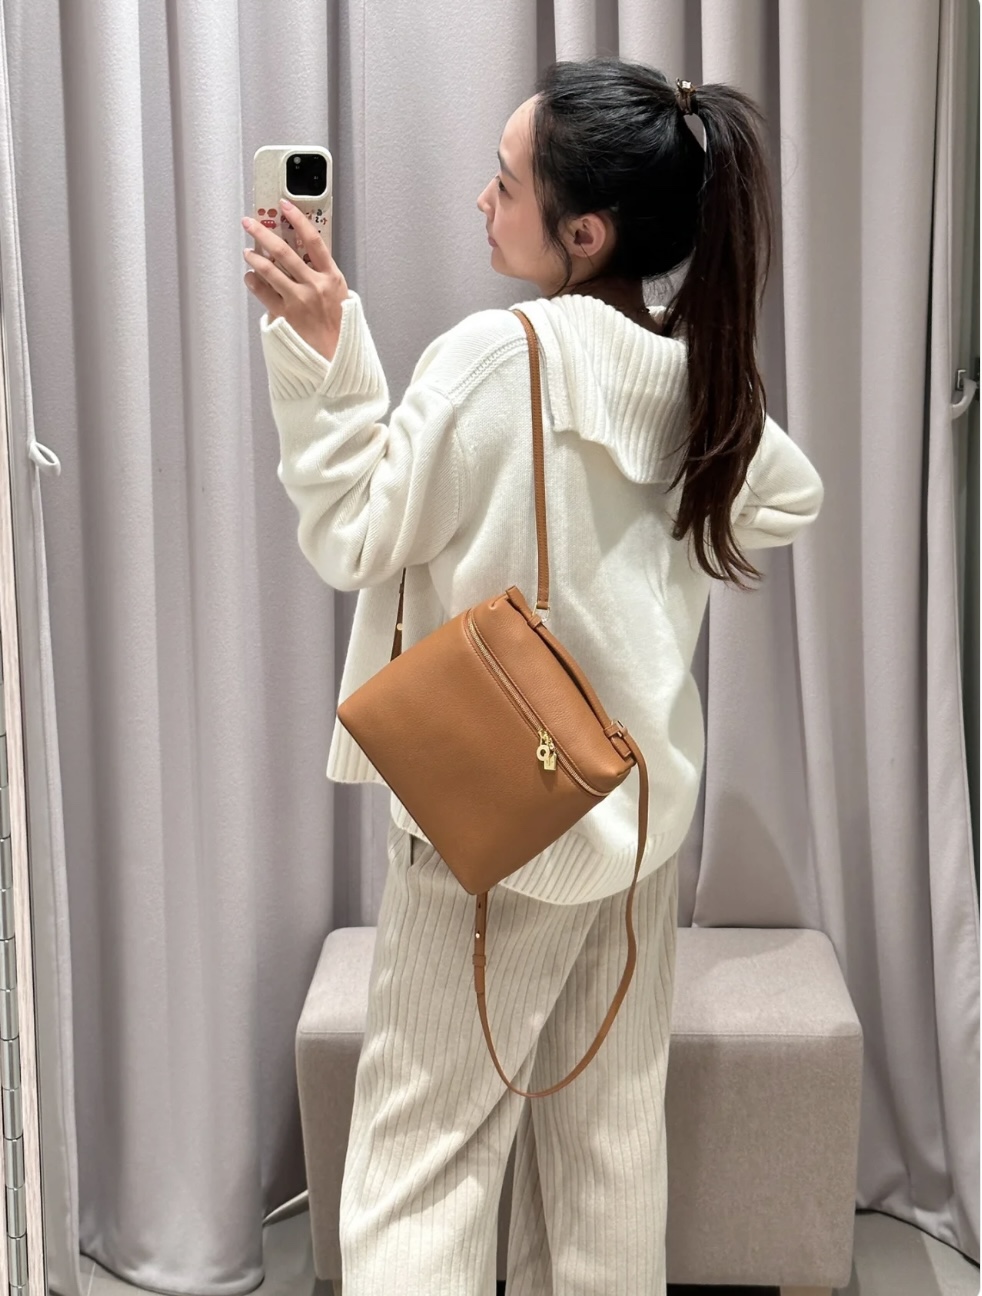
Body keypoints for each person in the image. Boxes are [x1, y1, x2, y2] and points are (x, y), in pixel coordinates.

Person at [243, 55, 824, 1296]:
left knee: (421, 1169)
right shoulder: (689, 375)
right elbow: (787, 494)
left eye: (504, 183)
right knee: (604, 1156)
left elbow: (354, 532)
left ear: (586, 230)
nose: (481, 199)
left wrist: (324, 354)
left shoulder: (490, 358)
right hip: (634, 821)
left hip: (495, 825)